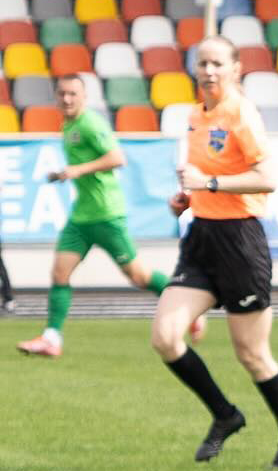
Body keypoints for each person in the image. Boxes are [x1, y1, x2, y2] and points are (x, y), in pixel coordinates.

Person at [154, 35, 278, 469]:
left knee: (252, 355)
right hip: (202, 238)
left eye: (217, 64)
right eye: (202, 63)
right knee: (165, 337)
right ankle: (225, 415)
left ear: (236, 69)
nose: (209, 71)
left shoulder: (241, 113)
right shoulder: (195, 115)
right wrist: (186, 199)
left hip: (240, 242)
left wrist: (210, 184)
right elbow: (204, 179)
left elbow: (267, 178)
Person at [16, 75, 179, 357]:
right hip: (81, 217)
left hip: (106, 215)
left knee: (139, 276)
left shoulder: (91, 123)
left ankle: (185, 303)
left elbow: (117, 158)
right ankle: (51, 338)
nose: (67, 99)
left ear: (84, 97)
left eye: (73, 94)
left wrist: (77, 171)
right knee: (59, 273)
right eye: (62, 94)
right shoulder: (68, 125)